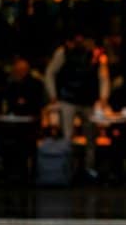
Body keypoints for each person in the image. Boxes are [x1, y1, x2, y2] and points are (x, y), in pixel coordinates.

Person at [44, 33, 109, 179]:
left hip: (88, 99)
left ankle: (89, 168)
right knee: (67, 136)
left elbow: (103, 76)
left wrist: (103, 97)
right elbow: (50, 73)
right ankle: (67, 168)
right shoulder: (64, 52)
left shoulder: (96, 54)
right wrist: (53, 94)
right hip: (68, 99)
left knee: (90, 136)